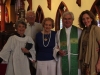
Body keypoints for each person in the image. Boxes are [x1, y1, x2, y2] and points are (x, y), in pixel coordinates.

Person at [53, 11, 82, 75]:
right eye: (65, 19)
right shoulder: (59, 33)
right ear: (62, 20)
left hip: (75, 59)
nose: (67, 21)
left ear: (72, 20)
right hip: (63, 59)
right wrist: (58, 51)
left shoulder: (79, 31)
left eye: (69, 19)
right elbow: (55, 46)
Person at [78, 10, 100, 75]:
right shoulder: (84, 31)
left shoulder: (96, 29)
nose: (86, 21)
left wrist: (99, 63)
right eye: (83, 19)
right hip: (84, 61)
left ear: (91, 19)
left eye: (87, 18)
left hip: (93, 60)